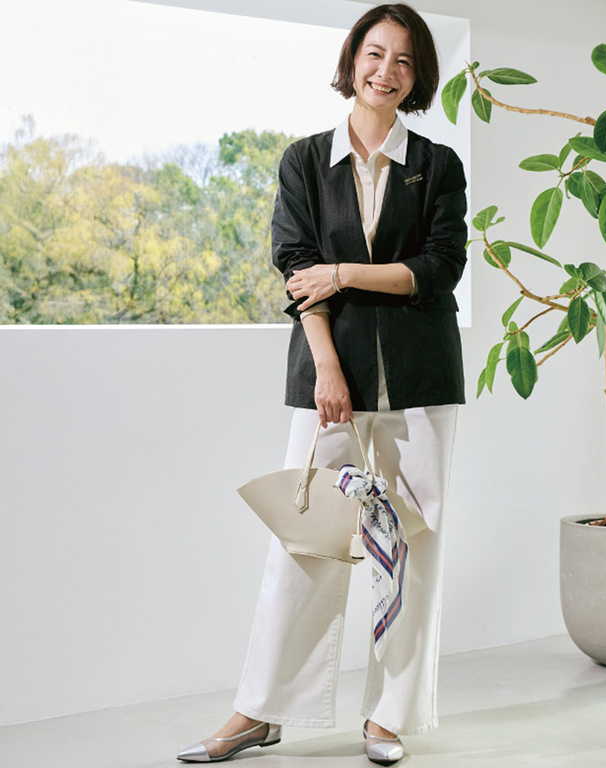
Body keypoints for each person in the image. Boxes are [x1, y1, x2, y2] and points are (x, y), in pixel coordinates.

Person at [178, 3, 466, 764]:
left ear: (418, 76)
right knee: (304, 540)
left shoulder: (437, 165)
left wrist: (343, 273)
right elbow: (296, 267)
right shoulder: (304, 160)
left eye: (404, 60)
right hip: (328, 377)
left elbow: (438, 270)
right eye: (375, 53)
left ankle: (388, 717)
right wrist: (329, 366)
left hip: (422, 380)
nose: (386, 71)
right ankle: (260, 710)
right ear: (352, 59)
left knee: (414, 544)